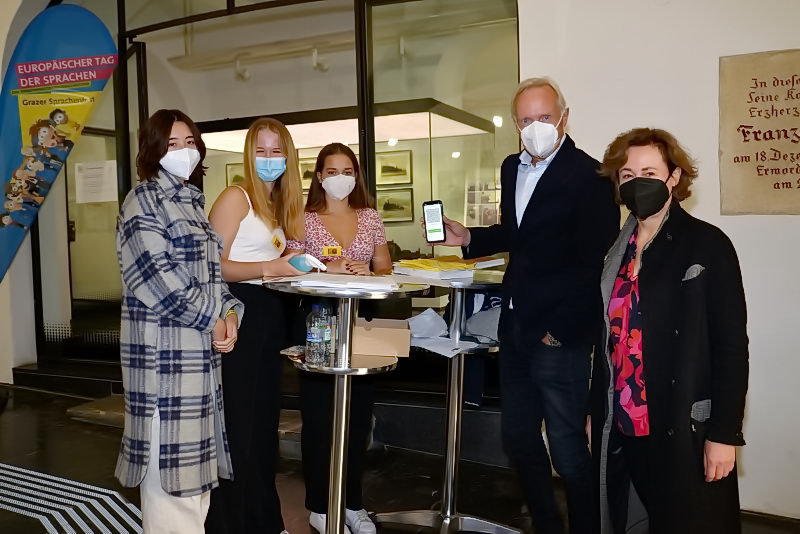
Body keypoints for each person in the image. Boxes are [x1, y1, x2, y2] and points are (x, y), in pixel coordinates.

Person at [431, 77, 619, 534]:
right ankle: (547, 525)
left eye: (545, 117)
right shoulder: (511, 167)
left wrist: (561, 331)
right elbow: (518, 234)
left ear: (564, 118)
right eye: (527, 119)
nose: (536, 127)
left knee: (568, 450)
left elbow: (596, 264)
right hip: (515, 327)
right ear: (516, 125)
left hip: (559, 334)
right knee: (517, 438)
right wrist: (469, 237)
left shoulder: (592, 177)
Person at [590, 128, 749, 534]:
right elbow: (607, 341)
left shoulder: (707, 244)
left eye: (649, 172)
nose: (637, 183)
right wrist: (595, 414)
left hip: (682, 424)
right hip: (624, 423)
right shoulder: (617, 252)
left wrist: (724, 434)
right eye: (627, 175)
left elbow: (731, 346)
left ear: (674, 177)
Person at [115, 109, 242, 534]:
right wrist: (213, 319)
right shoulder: (143, 200)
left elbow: (212, 276)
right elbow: (156, 278)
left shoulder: (192, 202)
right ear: (152, 150)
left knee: (195, 486)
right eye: (171, 144)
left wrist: (229, 313)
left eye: (190, 143)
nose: (184, 151)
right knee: (172, 486)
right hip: (165, 363)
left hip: (199, 364)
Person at [204, 118, 305, 534]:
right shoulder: (236, 197)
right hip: (239, 314)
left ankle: (264, 519)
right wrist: (270, 267)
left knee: (262, 427)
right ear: (249, 154)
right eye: (260, 151)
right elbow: (211, 265)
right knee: (240, 427)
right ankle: (232, 523)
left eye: (276, 151)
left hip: (267, 317)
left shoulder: (276, 204)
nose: (268, 159)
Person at [287, 143, 391, 534]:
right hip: (317, 322)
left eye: (347, 171)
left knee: (358, 417)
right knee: (319, 417)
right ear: (319, 177)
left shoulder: (369, 216)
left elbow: (385, 266)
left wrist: (370, 271)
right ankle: (319, 504)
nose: (340, 178)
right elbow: (289, 268)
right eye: (332, 171)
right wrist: (325, 268)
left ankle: (352, 503)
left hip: (360, 322)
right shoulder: (302, 219)